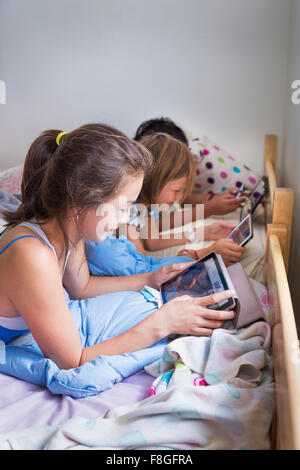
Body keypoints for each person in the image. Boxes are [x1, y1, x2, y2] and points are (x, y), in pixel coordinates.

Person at [0, 124, 235, 370]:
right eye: (123, 207)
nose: (126, 220)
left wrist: (151, 279)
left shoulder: (70, 229)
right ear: (82, 200)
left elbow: (83, 287)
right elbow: (73, 361)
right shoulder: (32, 255)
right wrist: (161, 324)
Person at [134, 117, 248, 222]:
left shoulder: (153, 196)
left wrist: (214, 199)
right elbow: (155, 228)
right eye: (176, 190)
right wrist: (208, 209)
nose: (179, 197)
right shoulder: (129, 204)